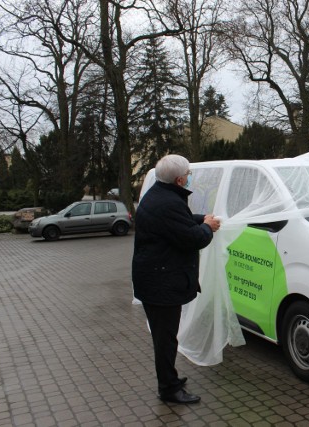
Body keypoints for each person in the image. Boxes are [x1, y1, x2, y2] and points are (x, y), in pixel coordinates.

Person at [132, 154, 221, 404]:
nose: (189, 177)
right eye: (188, 174)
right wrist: (207, 228)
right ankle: (169, 389)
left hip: (156, 279)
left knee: (166, 337)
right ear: (180, 179)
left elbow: (176, 223)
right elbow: (193, 238)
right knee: (165, 339)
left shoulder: (158, 195)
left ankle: (170, 380)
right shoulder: (168, 203)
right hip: (161, 283)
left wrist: (201, 218)